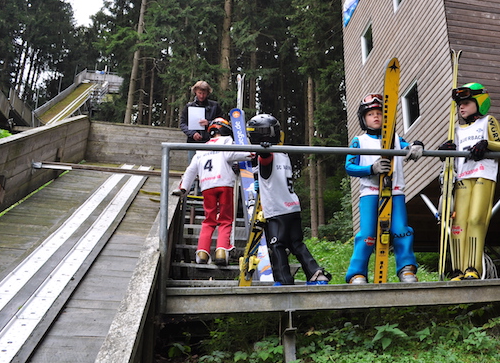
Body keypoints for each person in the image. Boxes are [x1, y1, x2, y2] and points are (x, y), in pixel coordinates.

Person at [344, 93, 424, 284]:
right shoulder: (359, 141)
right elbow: (349, 166)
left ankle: (406, 268)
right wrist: (371, 169)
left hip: (395, 191)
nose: (376, 117)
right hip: (370, 193)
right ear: (363, 118)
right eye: (371, 114)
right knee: (367, 235)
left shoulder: (396, 139)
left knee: (401, 230)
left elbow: (408, 147)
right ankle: (357, 273)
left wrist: (417, 146)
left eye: (379, 113)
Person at [246, 113, 331, 286]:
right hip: (293, 207)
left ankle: (283, 281)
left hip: (276, 211)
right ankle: (315, 273)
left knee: (277, 246)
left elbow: (265, 161)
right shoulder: (283, 154)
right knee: (296, 244)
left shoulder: (266, 156)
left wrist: (262, 153)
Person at [438, 83, 500, 280]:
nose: (462, 107)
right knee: (458, 223)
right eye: (460, 104)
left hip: (483, 174)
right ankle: (457, 270)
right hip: (462, 176)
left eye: (467, 103)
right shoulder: (456, 129)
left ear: (479, 103)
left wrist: (486, 144)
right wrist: (445, 150)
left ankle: (473, 268)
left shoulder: (488, 121)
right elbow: (451, 156)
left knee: (476, 220)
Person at [175, 118, 251, 265]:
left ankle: (202, 253)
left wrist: (183, 188)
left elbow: (191, 170)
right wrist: (251, 153)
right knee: (225, 220)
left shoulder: (202, 149)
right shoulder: (227, 141)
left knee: (209, 220)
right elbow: (237, 154)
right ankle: (221, 251)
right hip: (224, 184)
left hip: (207, 186)